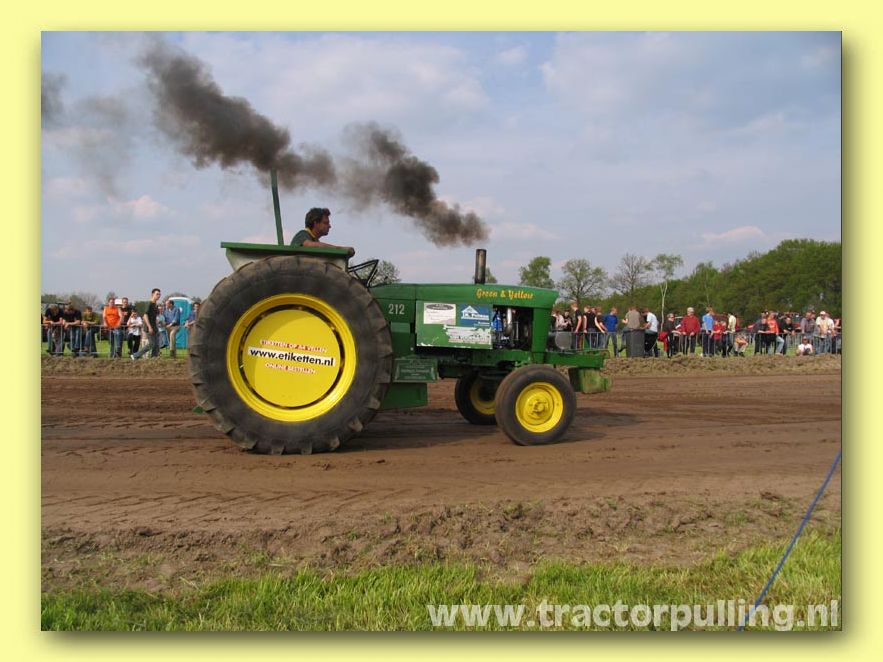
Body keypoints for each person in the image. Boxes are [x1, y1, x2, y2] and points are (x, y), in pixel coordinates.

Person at [290, 207, 355, 257]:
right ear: (316, 223)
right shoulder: (302, 234)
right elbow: (310, 245)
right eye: (326, 223)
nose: (329, 226)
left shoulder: (315, 240)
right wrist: (341, 249)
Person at [131, 288, 162, 360]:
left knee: (156, 344)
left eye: (159, 294)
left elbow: (154, 317)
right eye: (157, 294)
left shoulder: (155, 305)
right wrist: (149, 327)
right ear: (152, 294)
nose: (159, 296)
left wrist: (156, 326)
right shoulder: (149, 303)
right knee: (152, 344)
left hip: (154, 327)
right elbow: (145, 315)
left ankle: (154, 357)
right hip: (149, 327)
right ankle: (135, 355)